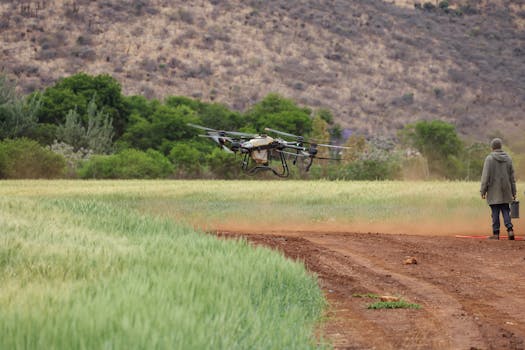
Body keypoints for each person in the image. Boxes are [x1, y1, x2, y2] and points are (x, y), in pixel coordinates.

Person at [480, 138, 517, 240]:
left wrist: (483, 191)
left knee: (495, 211)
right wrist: (514, 192)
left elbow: (485, 177)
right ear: (501, 146)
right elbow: (512, 178)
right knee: (506, 210)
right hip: (506, 190)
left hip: (493, 190)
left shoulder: (489, 159)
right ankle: (510, 230)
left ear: (492, 147)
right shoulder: (508, 159)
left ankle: (496, 234)